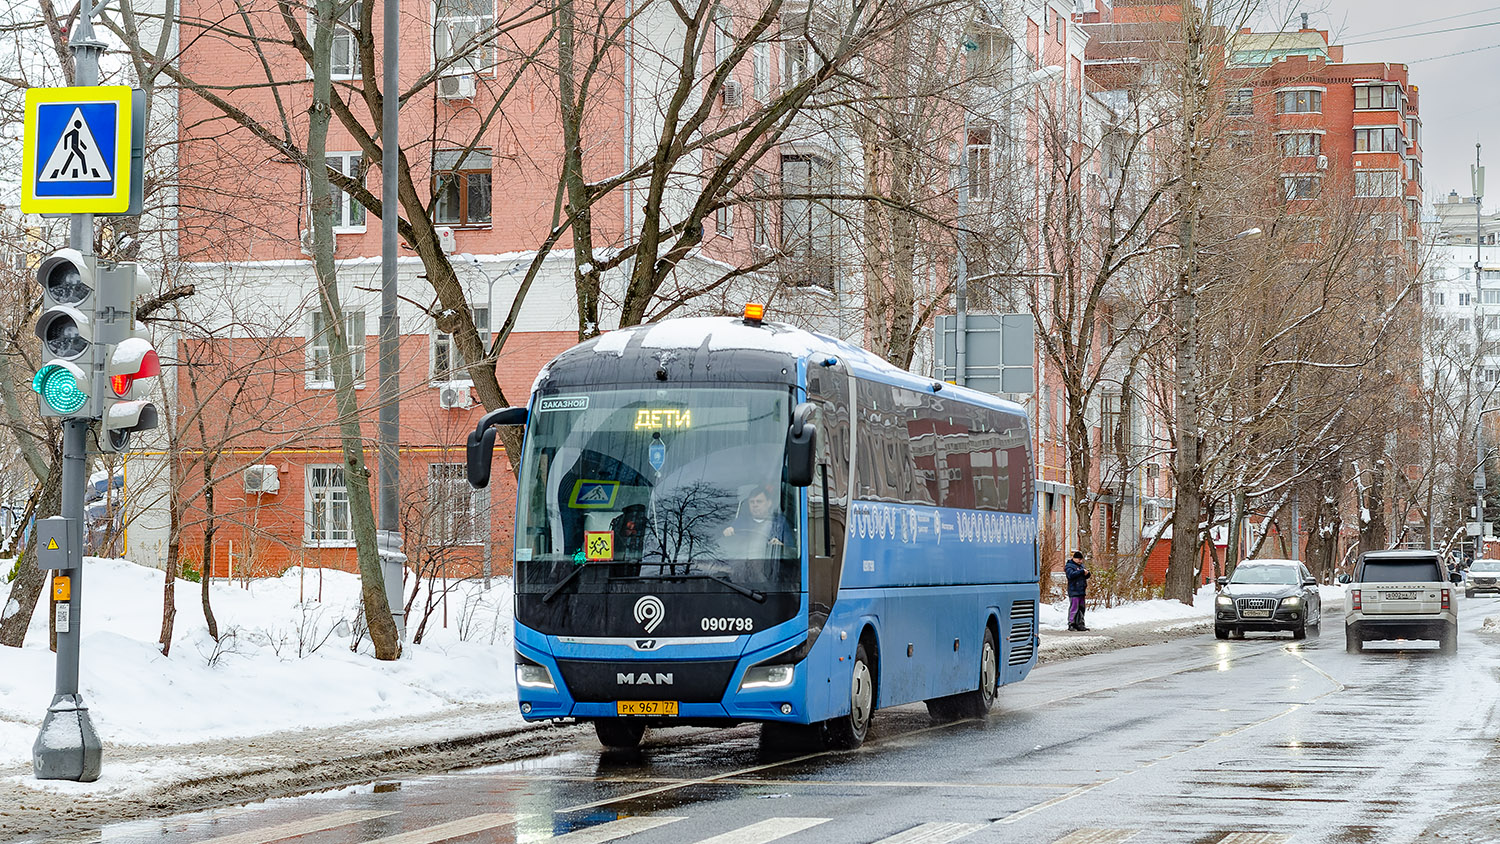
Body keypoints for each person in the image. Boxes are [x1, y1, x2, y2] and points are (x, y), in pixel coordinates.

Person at [722, 484, 794, 552]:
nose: (755, 505)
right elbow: (729, 544)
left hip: (770, 561)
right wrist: (727, 533)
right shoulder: (741, 521)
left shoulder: (779, 522)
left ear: (769, 503)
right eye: (752, 502)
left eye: (759, 502)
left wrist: (780, 546)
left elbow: (791, 550)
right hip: (743, 559)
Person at [1065, 550, 1091, 631]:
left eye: (1081, 559)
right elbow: (1071, 575)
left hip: (1081, 590)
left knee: (1081, 608)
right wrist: (1081, 572)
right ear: (1074, 558)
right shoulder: (1069, 566)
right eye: (1079, 559)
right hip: (1074, 590)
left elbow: (1084, 576)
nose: (1080, 561)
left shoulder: (1081, 566)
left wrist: (1087, 574)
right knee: (1074, 608)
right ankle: (1071, 624)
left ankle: (1080, 624)